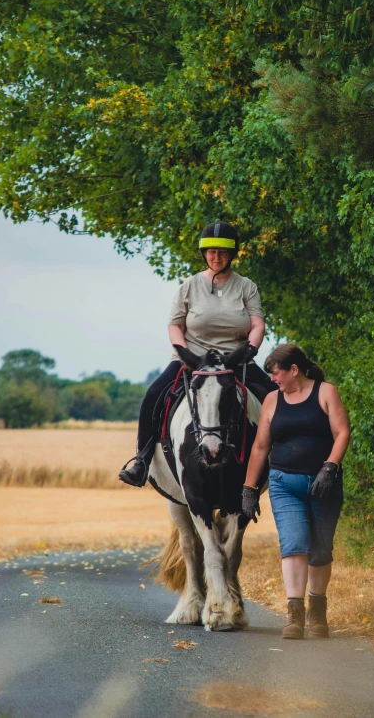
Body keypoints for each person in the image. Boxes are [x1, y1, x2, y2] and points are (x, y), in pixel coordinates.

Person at [119, 221, 276, 487]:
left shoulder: (246, 287)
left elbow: (257, 324)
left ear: (233, 254)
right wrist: (181, 352)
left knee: (276, 397)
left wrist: (250, 349)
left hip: (235, 359)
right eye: (211, 252)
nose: (216, 257)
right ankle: (142, 460)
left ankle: (287, 462)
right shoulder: (188, 286)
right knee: (152, 396)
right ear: (204, 254)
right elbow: (175, 325)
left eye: (222, 252)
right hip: (192, 359)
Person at [241, 344, 350, 640]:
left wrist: (330, 468)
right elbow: (261, 446)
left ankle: (318, 610)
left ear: (294, 370)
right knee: (293, 544)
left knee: (321, 550)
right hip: (283, 482)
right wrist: (249, 489)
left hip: (322, 484)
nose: (273, 380)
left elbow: (342, 432)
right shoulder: (272, 400)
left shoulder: (325, 392)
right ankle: (295, 614)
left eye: (276, 374)